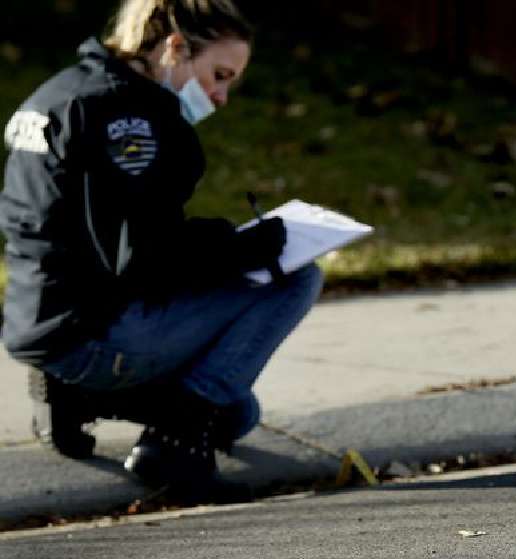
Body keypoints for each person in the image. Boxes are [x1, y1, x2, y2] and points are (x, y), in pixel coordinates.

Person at [0, 0, 322, 502]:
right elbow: (146, 260)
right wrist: (240, 249)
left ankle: (73, 396)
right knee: (300, 278)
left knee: (239, 414)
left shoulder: (61, 92)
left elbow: (106, 237)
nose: (221, 97)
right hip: (92, 331)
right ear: (174, 48)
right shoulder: (129, 119)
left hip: (40, 317)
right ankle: (172, 445)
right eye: (219, 75)